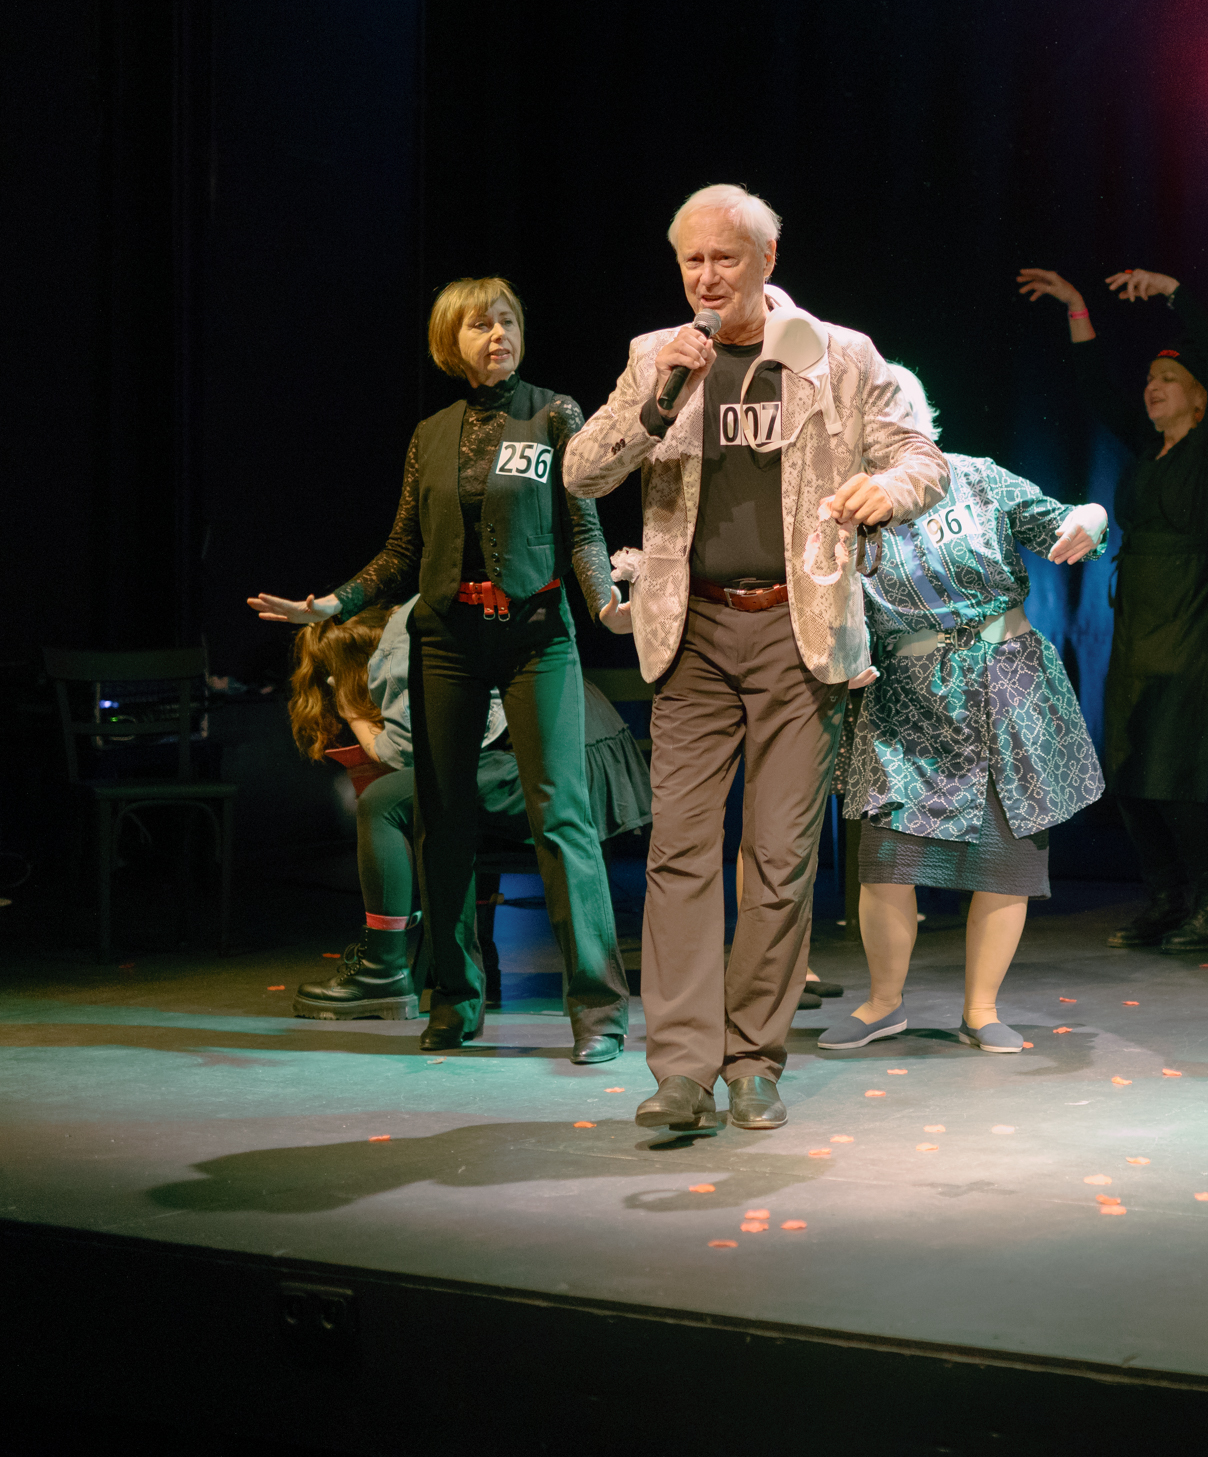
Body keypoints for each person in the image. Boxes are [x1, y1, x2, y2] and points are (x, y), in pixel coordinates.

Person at [564, 184, 947, 1134]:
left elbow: (921, 457)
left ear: (766, 261)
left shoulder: (838, 354)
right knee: (679, 854)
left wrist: (888, 491)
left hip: (796, 631)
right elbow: (582, 470)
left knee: (777, 858)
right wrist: (657, 401)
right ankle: (682, 1070)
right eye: (691, 260)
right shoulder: (655, 357)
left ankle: (751, 1062)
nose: (706, 277)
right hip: (690, 631)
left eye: (724, 258)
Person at [249, 278, 636, 1062]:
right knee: (442, 816)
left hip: (535, 633)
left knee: (561, 817)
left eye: (507, 321)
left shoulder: (555, 414)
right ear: (448, 343)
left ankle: (598, 1011)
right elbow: (402, 550)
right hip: (449, 636)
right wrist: (331, 605)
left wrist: (605, 605)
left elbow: (583, 529)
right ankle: (456, 1000)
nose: (497, 335)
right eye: (479, 325)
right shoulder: (430, 435)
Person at [822, 368, 1108, 1053]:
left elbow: (1068, 519)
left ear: (926, 420)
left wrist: (1092, 519)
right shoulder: (844, 507)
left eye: (903, 410)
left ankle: (981, 1009)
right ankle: (882, 1003)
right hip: (904, 699)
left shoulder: (977, 478)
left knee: (1005, 856)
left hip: (1006, 688)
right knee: (888, 858)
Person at [1016, 263, 1208, 955]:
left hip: (1194, 626)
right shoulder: (1149, 451)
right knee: (1126, 772)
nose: (1153, 386)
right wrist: (1077, 309)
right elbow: (1098, 392)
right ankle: (1165, 898)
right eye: (1150, 377)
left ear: (1202, 400)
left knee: (1174, 773)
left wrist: (1174, 294)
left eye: (1169, 378)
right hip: (1138, 628)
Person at [282, 599, 650, 1022]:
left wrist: (354, 713)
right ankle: (471, 959)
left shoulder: (404, 639)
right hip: (590, 765)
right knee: (449, 791)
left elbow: (407, 752)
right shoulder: (424, 618)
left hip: (555, 773)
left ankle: (382, 969)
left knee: (382, 801)